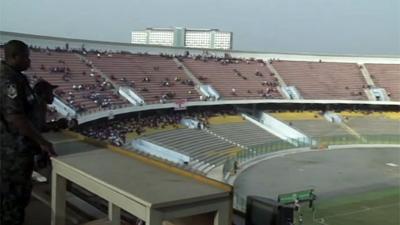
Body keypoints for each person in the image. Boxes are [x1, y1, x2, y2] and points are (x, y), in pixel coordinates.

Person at [0, 40, 56, 225]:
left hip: (16, 148)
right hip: (12, 151)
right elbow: (15, 116)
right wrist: (42, 141)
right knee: (13, 199)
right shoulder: (9, 79)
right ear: (14, 56)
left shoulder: (16, 76)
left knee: (16, 198)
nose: (29, 61)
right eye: (26, 56)